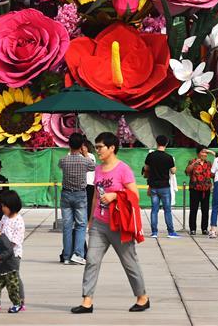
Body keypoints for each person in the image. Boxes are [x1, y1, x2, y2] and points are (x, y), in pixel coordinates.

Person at [72, 131, 149, 314]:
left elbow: (135, 196)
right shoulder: (97, 169)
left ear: (112, 148)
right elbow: (95, 198)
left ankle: (142, 297)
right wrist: (91, 220)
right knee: (91, 260)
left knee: (129, 261)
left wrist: (115, 195)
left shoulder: (123, 169)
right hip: (99, 223)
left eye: (100, 147)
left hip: (119, 224)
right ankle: (87, 301)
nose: (97, 150)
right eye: (96, 147)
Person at [58, 132, 94, 265]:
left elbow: (61, 166)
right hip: (80, 195)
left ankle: (66, 256)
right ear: (81, 146)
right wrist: (85, 153)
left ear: (69, 145)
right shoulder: (85, 161)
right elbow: (93, 166)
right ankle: (78, 254)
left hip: (66, 194)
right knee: (81, 225)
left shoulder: (63, 161)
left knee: (67, 226)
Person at [143, 135, 179, 239]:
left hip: (153, 186)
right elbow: (173, 171)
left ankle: (154, 232)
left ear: (157, 143)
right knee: (167, 210)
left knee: (154, 210)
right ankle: (171, 232)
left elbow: (146, 168)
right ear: (166, 143)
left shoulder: (151, 156)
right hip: (164, 186)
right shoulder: (168, 157)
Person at [0, 190, 26, 307]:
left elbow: (15, 241)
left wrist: (5, 250)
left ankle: (20, 301)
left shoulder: (19, 221)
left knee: (14, 279)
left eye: (4, 206)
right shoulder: (4, 218)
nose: (2, 208)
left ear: (12, 206)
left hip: (13, 256)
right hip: (1, 254)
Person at [186, 146, 212, 236]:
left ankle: (204, 229)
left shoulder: (209, 163)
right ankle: (192, 229)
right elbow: (187, 171)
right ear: (198, 153)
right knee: (194, 209)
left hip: (206, 189)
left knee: (205, 210)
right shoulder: (192, 162)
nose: (205, 154)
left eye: (206, 153)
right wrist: (194, 164)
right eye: (203, 152)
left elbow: (212, 174)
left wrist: (211, 152)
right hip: (195, 189)